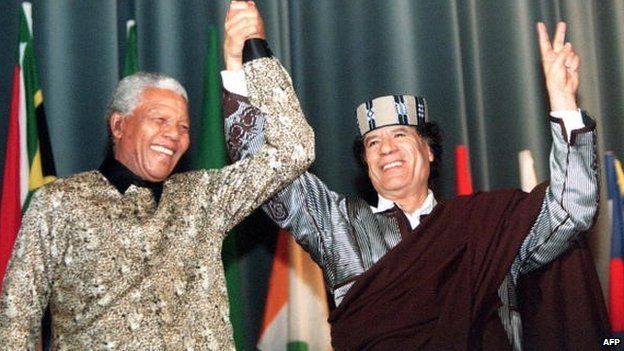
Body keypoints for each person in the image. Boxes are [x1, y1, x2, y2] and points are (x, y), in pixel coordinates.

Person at [223, 16, 610, 350]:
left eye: (401, 136)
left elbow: (570, 211)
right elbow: (263, 171)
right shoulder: (335, 223)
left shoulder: (486, 228)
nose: (386, 149)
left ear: (430, 152)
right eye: (373, 143)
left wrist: (563, 102)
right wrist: (240, 65)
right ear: (366, 163)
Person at [0, 2, 314, 349]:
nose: (174, 135)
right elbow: (15, 320)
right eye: (160, 120)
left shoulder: (204, 198)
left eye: (182, 126)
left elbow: (294, 150)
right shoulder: (59, 203)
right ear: (119, 124)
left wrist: (251, 53)